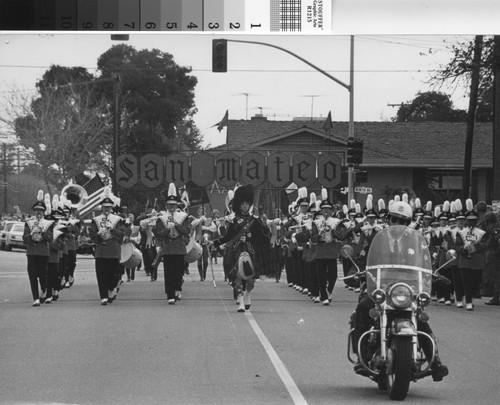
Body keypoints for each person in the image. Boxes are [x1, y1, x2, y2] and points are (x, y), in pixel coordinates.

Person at [351, 199, 449, 382]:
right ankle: (362, 356)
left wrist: (432, 274)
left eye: (404, 221)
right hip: (379, 286)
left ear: (409, 222)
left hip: (406, 289)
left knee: (420, 319)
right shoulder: (376, 237)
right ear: (389, 219)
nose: (399, 224)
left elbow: (424, 261)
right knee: (363, 308)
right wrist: (359, 271)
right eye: (396, 220)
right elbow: (364, 255)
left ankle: (435, 362)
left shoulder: (416, 241)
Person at [212, 184, 270, 312]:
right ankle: (241, 302)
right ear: (239, 205)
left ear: (250, 205)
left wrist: (251, 236)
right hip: (237, 251)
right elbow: (228, 236)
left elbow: (261, 239)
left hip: (250, 252)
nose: (244, 206)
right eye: (242, 204)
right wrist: (215, 243)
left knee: (250, 281)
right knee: (237, 278)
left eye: (247, 204)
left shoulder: (255, 221)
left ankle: (247, 294)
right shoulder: (234, 221)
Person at [153, 183, 191, 305]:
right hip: (168, 248)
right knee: (169, 272)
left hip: (179, 247)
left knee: (179, 272)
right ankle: (170, 294)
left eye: (174, 205)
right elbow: (158, 234)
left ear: (177, 205)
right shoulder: (162, 217)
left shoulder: (183, 216)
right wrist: (167, 229)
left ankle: (178, 288)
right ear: (166, 205)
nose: (172, 207)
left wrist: (177, 225)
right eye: (169, 205)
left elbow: (187, 232)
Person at [89, 188, 127, 305]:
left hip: (113, 251)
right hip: (100, 251)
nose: (106, 209)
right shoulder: (96, 220)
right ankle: (103, 296)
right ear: (102, 208)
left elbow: (121, 234)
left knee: (112, 275)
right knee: (101, 275)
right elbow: (92, 236)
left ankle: (111, 288)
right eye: (105, 207)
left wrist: (113, 229)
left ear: (111, 207)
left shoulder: (117, 220)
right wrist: (98, 234)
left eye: (108, 207)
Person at [23, 190, 54, 307]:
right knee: (32, 274)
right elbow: (24, 239)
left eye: (41, 211)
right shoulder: (29, 223)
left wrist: (43, 231)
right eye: (37, 211)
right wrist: (31, 234)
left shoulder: (48, 223)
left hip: (43, 253)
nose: (38, 213)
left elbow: (50, 239)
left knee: (42, 274)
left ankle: (44, 289)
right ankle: (35, 298)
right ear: (34, 211)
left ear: (44, 212)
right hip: (31, 252)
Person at [480, 212, 500, 306]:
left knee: (496, 278)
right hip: (492, 257)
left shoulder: (495, 229)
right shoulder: (492, 229)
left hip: (494, 257)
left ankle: (496, 298)